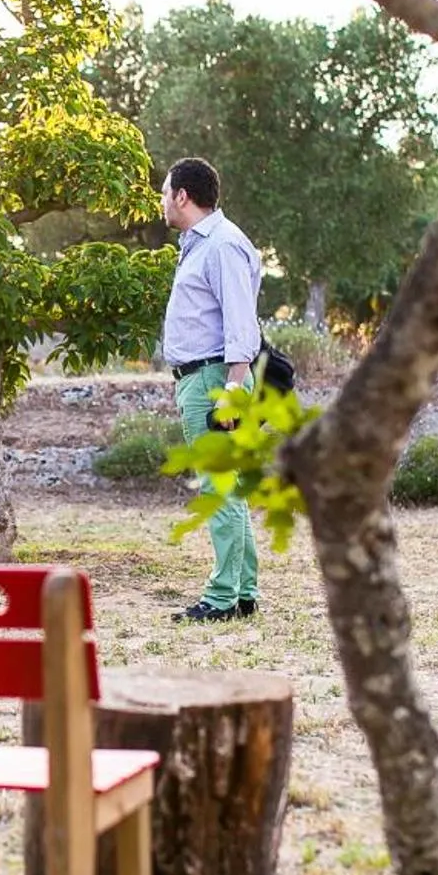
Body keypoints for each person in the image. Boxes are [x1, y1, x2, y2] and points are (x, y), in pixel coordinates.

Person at [159, 157, 265, 623]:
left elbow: (241, 323)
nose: (161, 201)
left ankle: (221, 597)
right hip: (205, 377)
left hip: (215, 380)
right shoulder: (198, 244)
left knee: (218, 490)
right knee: (231, 489)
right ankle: (242, 592)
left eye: (165, 192)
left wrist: (232, 389)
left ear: (182, 195)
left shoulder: (221, 245)